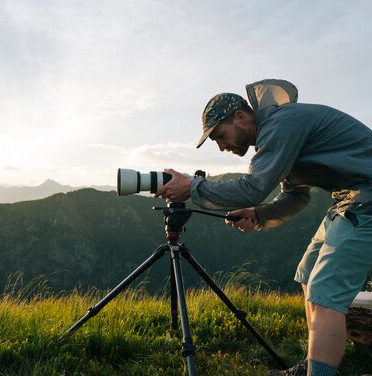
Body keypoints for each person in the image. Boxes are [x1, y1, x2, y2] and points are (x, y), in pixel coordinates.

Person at [154, 91, 372, 376]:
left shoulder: (281, 125)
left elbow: (254, 187)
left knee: (325, 290)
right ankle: (314, 365)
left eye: (220, 135)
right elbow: (296, 196)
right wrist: (259, 215)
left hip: (365, 199)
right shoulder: (280, 134)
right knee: (307, 274)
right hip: (349, 198)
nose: (220, 147)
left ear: (241, 117)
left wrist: (194, 187)